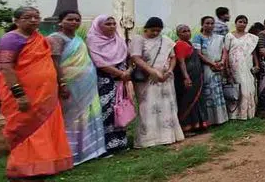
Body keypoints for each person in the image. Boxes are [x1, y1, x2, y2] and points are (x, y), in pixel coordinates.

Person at [0, 7, 73, 179]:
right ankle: (22, 168)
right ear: (16, 21)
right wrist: (19, 94)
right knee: (26, 131)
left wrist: (61, 84)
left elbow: (50, 62)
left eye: (36, 17)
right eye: (28, 17)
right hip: (24, 95)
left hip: (46, 96)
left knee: (45, 131)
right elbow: (6, 67)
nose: (34, 20)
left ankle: (42, 166)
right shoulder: (10, 38)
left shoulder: (40, 39)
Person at [48, 10, 107, 165]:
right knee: (71, 116)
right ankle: (71, 152)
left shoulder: (78, 39)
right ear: (60, 22)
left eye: (77, 20)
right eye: (70, 19)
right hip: (69, 84)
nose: (74, 22)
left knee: (89, 113)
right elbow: (54, 63)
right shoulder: (55, 38)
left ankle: (91, 150)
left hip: (87, 85)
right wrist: (62, 84)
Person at [130, 17, 184, 148]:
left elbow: (173, 57)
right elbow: (135, 58)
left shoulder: (165, 40)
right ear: (146, 29)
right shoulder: (138, 39)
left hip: (165, 79)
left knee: (167, 107)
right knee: (147, 107)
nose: (155, 33)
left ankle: (167, 136)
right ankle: (149, 139)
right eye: (152, 30)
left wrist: (169, 71)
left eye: (158, 31)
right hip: (147, 79)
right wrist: (152, 71)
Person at [85, 14, 130, 153]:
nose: (112, 26)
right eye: (108, 24)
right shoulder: (93, 40)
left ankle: (121, 141)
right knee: (106, 110)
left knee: (119, 109)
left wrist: (126, 72)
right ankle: (107, 144)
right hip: (103, 80)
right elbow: (99, 62)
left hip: (120, 80)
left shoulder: (118, 39)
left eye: (113, 23)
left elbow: (126, 58)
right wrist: (120, 73)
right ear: (99, 26)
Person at [192, 16, 229, 126]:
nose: (210, 25)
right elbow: (198, 54)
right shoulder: (198, 37)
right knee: (208, 92)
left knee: (218, 92)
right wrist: (212, 64)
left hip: (218, 67)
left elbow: (224, 51)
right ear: (202, 25)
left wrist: (222, 62)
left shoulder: (219, 38)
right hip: (205, 68)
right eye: (207, 23)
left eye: (212, 23)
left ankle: (220, 118)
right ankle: (209, 119)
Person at [173, 24, 210, 133]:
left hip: (196, 77)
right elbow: (181, 62)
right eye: (184, 31)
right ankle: (186, 126)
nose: (187, 33)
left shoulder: (189, 44)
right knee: (187, 101)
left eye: (188, 30)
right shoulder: (179, 44)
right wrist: (186, 77)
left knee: (197, 101)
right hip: (188, 78)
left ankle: (198, 125)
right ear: (178, 34)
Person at [226, 15, 260, 119]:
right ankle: (235, 114)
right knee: (237, 89)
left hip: (247, 65)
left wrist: (257, 64)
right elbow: (226, 52)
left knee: (248, 89)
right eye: (240, 22)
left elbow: (253, 52)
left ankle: (247, 113)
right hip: (234, 66)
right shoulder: (229, 36)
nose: (242, 24)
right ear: (235, 23)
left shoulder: (251, 37)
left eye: (245, 22)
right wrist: (227, 67)